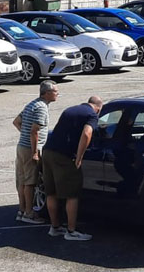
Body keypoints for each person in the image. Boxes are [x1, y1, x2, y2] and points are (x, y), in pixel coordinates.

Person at [42, 95, 103, 241]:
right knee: (72, 194)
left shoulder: (70, 110)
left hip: (48, 151)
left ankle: (55, 227)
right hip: (64, 156)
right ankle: (71, 231)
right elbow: (87, 133)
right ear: (98, 108)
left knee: (51, 192)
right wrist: (80, 156)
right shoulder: (92, 115)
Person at [13, 80, 57, 224]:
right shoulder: (41, 108)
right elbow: (34, 131)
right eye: (55, 91)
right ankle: (29, 213)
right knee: (30, 182)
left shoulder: (32, 104)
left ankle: (21, 210)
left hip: (21, 147)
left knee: (22, 180)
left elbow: (16, 122)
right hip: (30, 148)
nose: (57, 94)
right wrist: (35, 152)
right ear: (47, 93)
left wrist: (23, 134)